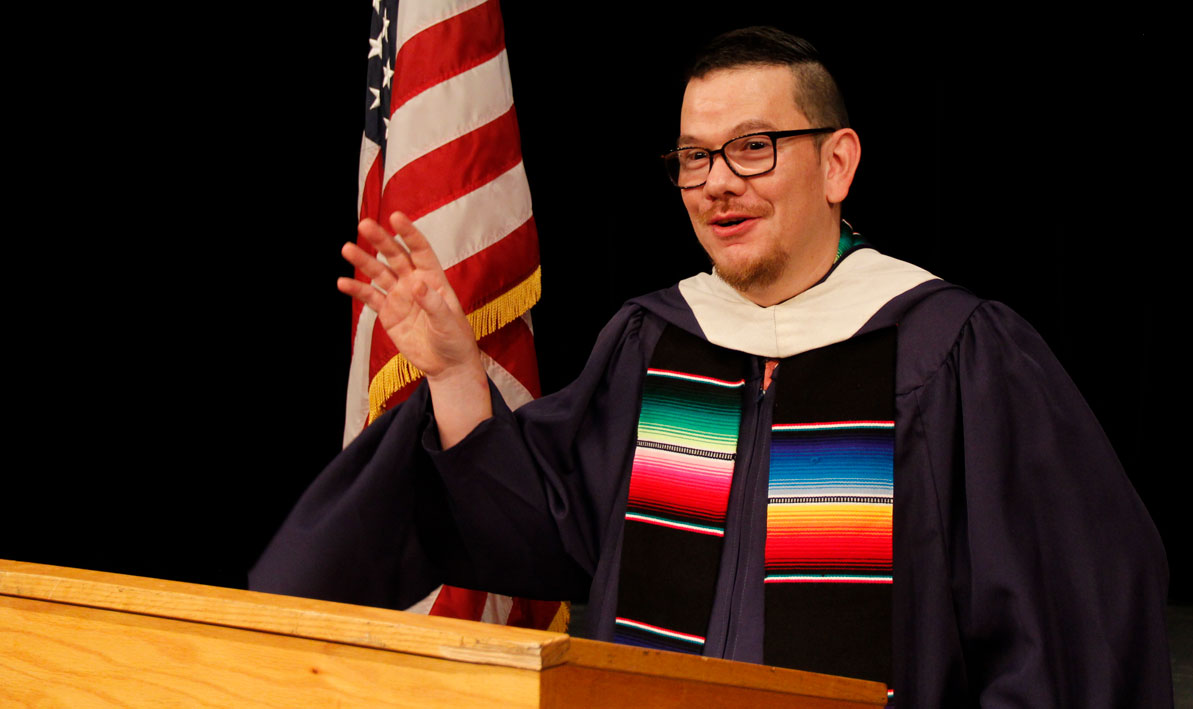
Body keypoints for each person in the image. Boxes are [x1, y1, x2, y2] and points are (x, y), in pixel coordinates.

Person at [251, 27, 1172, 706]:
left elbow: (1068, 622)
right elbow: (540, 535)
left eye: (751, 148)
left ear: (837, 163)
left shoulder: (955, 353)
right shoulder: (657, 341)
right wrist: (455, 368)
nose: (717, 182)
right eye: (693, 158)